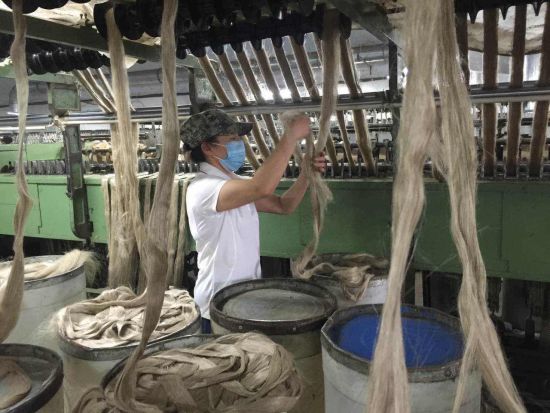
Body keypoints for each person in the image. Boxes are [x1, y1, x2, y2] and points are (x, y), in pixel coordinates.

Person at [180, 109, 326, 333]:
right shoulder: (203, 188)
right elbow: (261, 187)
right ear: (207, 148)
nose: (240, 144)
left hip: (244, 298)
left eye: (238, 138)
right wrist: (290, 137)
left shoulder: (234, 183)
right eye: (231, 139)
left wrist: (306, 174)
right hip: (218, 304)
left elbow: (283, 206)